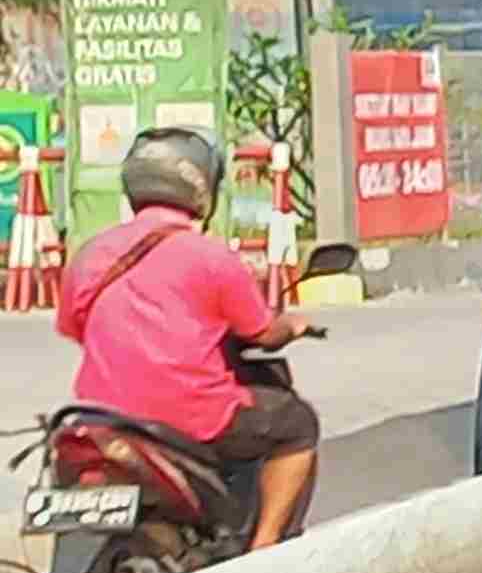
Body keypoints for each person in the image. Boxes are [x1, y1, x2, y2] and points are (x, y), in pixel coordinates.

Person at [52, 125, 320, 548]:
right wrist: (294, 325)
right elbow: (263, 332)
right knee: (297, 424)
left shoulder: (90, 254)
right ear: (203, 188)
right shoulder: (211, 256)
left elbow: (73, 326)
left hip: (97, 417)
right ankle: (265, 549)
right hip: (191, 416)